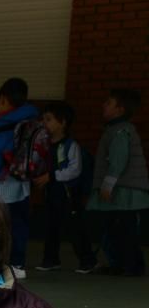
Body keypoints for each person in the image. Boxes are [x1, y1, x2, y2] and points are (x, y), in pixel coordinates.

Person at [0, 77, 39, 279]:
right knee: (19, 225)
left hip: (0, 186)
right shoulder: (31, 121)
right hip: (23, 183)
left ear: (3, 100)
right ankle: (18, 263)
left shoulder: (2, 126)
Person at [85, 89, 148, 277]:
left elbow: (118, 160)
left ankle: (129, 265)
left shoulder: (120, 131)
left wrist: (107, 184)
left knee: (121, 229)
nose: (104, 105)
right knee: (120, 228)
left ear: (120, 109)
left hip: (123, 191)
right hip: (123, 190)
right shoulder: (116, 129)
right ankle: (124, 264)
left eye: (109, 102)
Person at [33, 101, 96, 274]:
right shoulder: (44, 146)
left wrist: (51, 176)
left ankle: (87, 260)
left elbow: (74, 170)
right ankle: (51, 260)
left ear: (63, 122)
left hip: (68, 195)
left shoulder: (70, 145)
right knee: (51, 227)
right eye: (43, 119)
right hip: (51, 194)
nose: (44, 123)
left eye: (49, 119)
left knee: (75, 228)